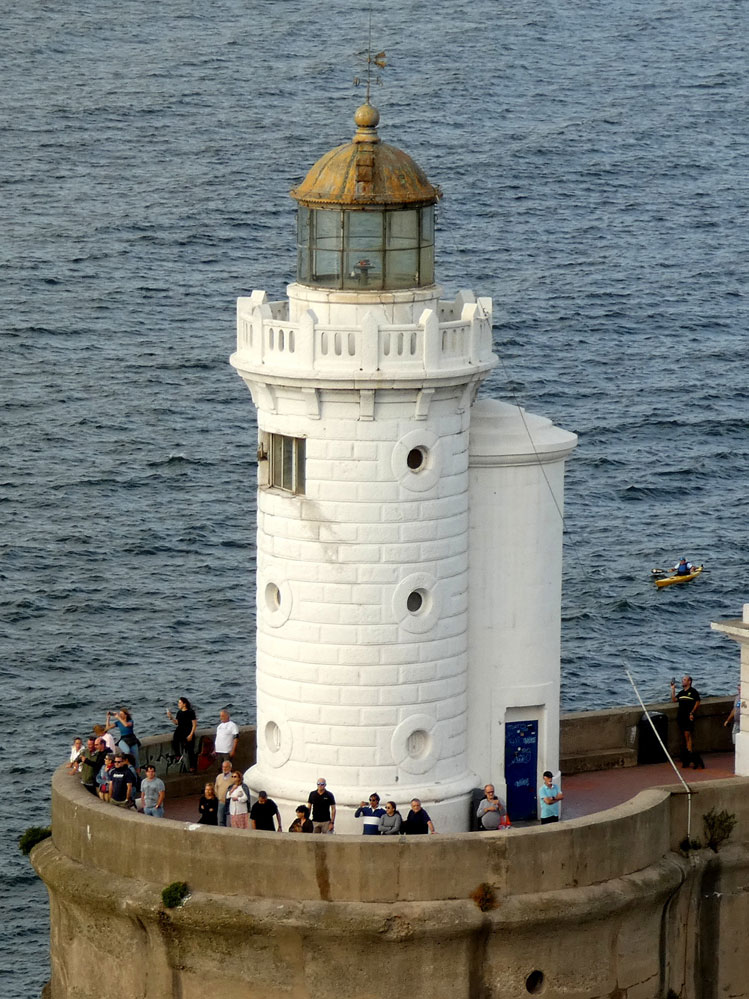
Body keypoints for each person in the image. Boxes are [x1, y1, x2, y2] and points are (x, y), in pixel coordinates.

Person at [671, 675, 704, 768]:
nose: (683, 681)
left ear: (689, 682)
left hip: (689, 717)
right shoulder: (681, 693)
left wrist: (692, 712)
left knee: (687, 735)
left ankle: (690, 754)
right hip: (681, 717)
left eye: (684, 680)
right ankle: (686, 755)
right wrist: (673, 689)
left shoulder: (693, 692)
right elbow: (674, 700)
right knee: (684, 735)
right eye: (682, 680)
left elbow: (697, 702)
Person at [166, 697, 198, 772]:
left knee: (190, 750)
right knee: (175, 741)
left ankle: (192, 766)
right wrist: (171, 718)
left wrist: (191, 734)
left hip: (188, 731)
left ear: (184, 704)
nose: (178, 704)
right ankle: (178, 755)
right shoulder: (179, 712)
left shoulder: (190, 712)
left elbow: (194, 724)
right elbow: (177, 723)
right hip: (180, 730)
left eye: (180, 703)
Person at [214, 759, 234, 827]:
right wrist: (219, 797)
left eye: (226, 767)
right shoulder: (219, 777)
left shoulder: (234, 777)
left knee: (232, 820)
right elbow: (216, 788)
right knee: (220, 820)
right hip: (221, 802)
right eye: (223, 767)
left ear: (230, 768)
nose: (224, 768)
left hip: (231, 802)